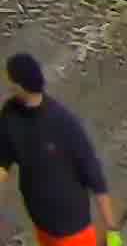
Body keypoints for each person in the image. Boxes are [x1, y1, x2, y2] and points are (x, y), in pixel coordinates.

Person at [0, 52, 113, 246]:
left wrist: (111, 226)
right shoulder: (10, 115)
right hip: (41, 222)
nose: (7, 83)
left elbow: (93, 174)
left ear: (20, 85)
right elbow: (3, 160)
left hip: (73, 228)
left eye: (10, 79)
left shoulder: (63, 123)